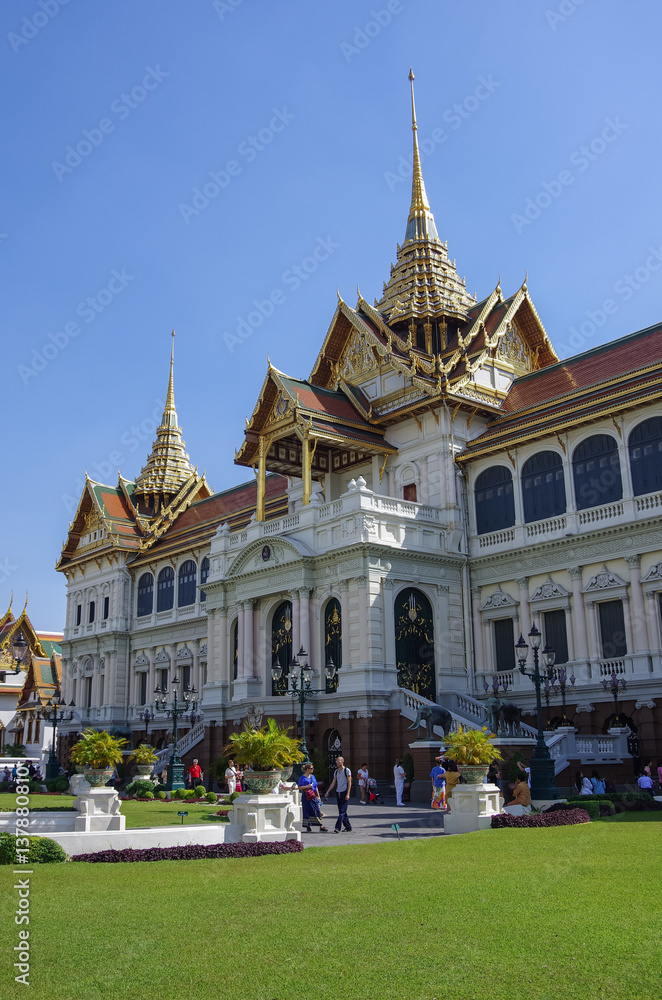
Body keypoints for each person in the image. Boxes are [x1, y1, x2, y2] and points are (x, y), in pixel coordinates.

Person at [324, 755, 352, 833]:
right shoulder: (336, 772)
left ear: (342, 762)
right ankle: (348, 827)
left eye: (339, 761)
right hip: (338, 791)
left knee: (342, 811)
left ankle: (337, 827)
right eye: (336, 761)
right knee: (342, 810)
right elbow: (333, 782)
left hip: (344, 791)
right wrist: (328, 791)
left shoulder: (347, 770)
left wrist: (348, 793)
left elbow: (349, 782)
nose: (337, 762)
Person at [297, 763, 328, 832]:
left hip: (313, 795)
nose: (313, 769)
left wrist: (318, 796)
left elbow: (316, 786)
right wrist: (307, 786)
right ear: (307, 769)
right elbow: (299, 787)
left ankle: (321, 825)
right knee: (307, 811)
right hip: (306, 796)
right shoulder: (302, 778)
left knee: (317, 810)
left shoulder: (313, 777)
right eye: (311, 768)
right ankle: (308, 825)